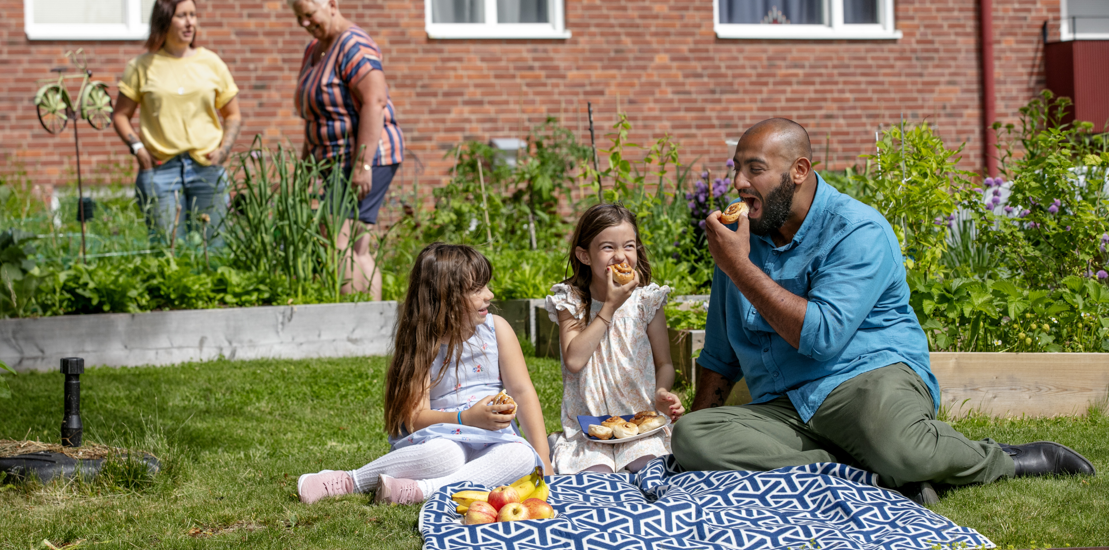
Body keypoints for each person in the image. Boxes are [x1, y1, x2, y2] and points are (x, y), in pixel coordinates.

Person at [673, 118, 1095, 502]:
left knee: (899, 445)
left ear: (798, 171)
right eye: (736, 168)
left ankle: (1009, 459)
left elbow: (821, 337)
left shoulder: (856, 230)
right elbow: (719, 356)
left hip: (866, 383)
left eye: (755, 169)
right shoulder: (741, 241)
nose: (739, 181)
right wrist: (692, 448)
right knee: (694, 438)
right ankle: (878, 473)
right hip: (787, 407)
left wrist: (739, 267)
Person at [297, 243, 551, 505]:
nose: (489, 294)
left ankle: (422, 490)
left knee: (520, 456)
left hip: (494, 439)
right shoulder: (423, 343)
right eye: (477, 289)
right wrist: (467, 418)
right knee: (445, 455)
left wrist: (544, 459)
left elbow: (522, 392)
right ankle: (351, 480)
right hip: (441, 435)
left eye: (486, 285)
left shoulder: (497, 330)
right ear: (445, 297)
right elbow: (414, 418)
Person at [545, 204, 685, 475]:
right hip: (590, 426)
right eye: (608, 247)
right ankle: (562, 446)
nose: (621, 256)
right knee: (596, 475)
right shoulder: (572, 301)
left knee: (649, 468)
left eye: (629, 246)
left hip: (638, 421)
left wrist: (661, 393)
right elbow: (574, 359)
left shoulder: (646, 302)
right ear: (584, 255)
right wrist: (608, 307)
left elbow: (664, 363)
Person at [288, 0, 404, 300]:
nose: (304, 23)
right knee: (354, 244)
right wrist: (304, 168)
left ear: (331, 4)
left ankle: (359, 326)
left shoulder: (354, 44)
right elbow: (316, 116)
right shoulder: (315, 49)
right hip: (332, 161)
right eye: (298, 17)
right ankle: (372, 327)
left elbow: (374, 101)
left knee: (342, 241)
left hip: (362, 158)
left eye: (309, 14)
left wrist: (362, 165)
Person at [112, 0, 241, 245]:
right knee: (167, 249)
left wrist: (224, 150)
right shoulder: (141, 66)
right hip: (160, 170)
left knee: (214, 246)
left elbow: (233, 114)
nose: (190, 22)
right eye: (182, 15)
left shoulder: (211, 63)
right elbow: (120, 116)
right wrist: (137, 149)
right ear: (164, 20)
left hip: (207, 168)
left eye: (193, 15)